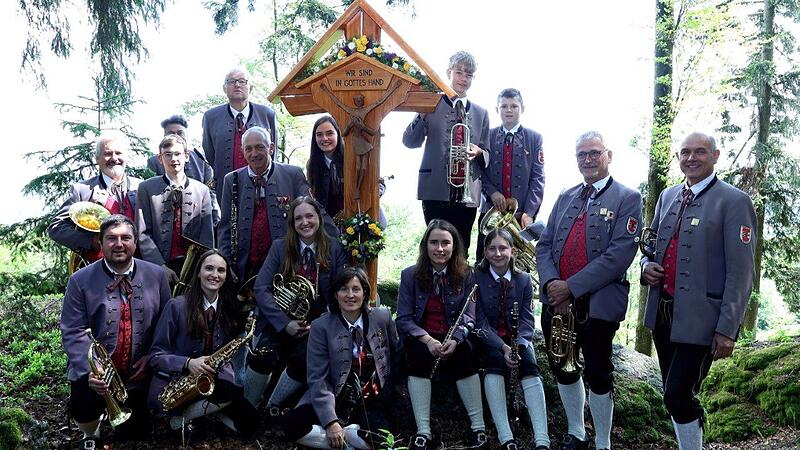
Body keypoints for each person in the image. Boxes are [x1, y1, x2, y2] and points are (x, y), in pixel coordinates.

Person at [641, 132, 756, 450]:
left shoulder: (734, 202)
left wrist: (727, 329)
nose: (691, 158)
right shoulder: (667, 195)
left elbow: (742, 272)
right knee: (675, 393)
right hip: (663, 314)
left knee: (676, 394)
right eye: (685, 152)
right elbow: (651, 246)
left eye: (700, 152)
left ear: (716, 156)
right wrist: (644, 266)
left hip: (703, 320)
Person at [535, 131, 642, 450]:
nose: (588, 159)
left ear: (609, 155)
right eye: (581, 154)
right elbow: (545, 245)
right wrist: (552, 283)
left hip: (598, 304)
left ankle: (604, 442)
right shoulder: (565, 196)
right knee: (563, 366)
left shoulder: (628, 197)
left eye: (594, 153)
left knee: (598, 371)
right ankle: (576, 432)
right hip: (556, 302)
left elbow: (620, 254)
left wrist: (571, 287)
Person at [60, 215, 170, 449]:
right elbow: (73, 329)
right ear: (100, 243)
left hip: (139, 372)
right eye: (111, 238)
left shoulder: (157, 275)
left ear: (135, 243)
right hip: (97, 374)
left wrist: (151, 357)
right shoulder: (80, 280)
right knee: (83, 405)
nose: (119, 244)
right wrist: (91, 369)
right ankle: (91, 431)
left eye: (125, 238)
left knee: (135, 435)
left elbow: (165, 324)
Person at [246, 196, 348, 410]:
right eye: (298, 218)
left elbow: (342, 291)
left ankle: (272, 405)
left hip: (317, 324)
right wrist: (285, 324)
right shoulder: (280, 247)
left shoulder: (335, 248)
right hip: (279, 321)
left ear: (318, 218)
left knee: (305, 358)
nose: (305, 222)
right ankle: (248, 407)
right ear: (292, 224)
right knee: (263, 356)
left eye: (309, 216)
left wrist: (321, 322)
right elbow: (261, 289)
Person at [283, 267, 401, 449]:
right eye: (344, 289)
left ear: (365, 293)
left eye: (356, 289)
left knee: (383, 442)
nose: (350, 295)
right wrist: (330, 422)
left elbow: (395, 354)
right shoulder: (320, 326)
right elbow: (318, 377)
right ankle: (347, 441)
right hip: (334, 395)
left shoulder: (382, 317)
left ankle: (347, 436)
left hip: (371, 398)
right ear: (336, 294)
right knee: (293, 426)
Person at [396, 219, 488, 450]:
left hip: (453, 337)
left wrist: (456, 339)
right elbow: (404, 319)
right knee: (416, 355)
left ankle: (478, 428)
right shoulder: (410, 275)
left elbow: (469, 317)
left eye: (445, 243)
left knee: (466, 352)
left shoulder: (467, 274)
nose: (440, 248)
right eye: (434, 242)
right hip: (423, 338)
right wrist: (426, 339)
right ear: (425, 245)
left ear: (454, 246)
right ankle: (423, 431)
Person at [147, 249, 258, 436]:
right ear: (198, 272)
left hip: (208, 385)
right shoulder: (176, 306)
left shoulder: (227, 309)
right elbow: (155, 356)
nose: (214, 275)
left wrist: (224, 380)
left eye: (221, 270)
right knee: (195, 436)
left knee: (252, 424)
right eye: (209, 268)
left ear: (226, 276)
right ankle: (180, 419)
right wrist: (188, 363)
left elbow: (225, 358)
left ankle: (193, 416)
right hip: (175, 387)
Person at [402, 51, 490, 253]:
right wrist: (421, 115)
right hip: (434, 190)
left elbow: (487, 153)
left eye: (469, 74)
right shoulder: (430, 104)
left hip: (467, 196)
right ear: (449, 73)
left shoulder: (481, 113)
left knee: (461, 250)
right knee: (435, 249)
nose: (463, 78)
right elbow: (409, 141)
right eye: (459, 72)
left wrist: (478, 152)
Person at [475, 228, 550, 450]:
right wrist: (503, 347)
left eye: (503, 248)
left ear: (513, 251)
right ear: (485, 252)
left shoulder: (524, 279)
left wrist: (517, 347)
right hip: (488, 338)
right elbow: (479, 322)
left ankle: (542, 439)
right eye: (492, 248)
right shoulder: (475, 277)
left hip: (518, 339)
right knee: (493, 363)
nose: (497, 253)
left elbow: (527, 322)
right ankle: (505, 436)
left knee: (529, 365)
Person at [218, 126, 317, 284]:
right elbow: (225, 228)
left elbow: (313, 215)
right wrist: (226, 263)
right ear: (243, 151)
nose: (254, 154)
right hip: (245, 268)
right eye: (248, 149)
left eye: (259, 147)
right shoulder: (231, 180)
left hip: (286, 266)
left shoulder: (293, 174)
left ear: (271, 148)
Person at [48, 133, 141, 266]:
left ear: (126, 157)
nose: (114, 158)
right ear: (97, 159)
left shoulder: (143, 188)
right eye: (108, 153)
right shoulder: (82, 190)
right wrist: (90, 242)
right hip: (96, 272)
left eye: (119, 153)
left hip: (138, 270)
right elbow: (56, 228)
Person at [476, 88, 545, 261]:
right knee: (484, 262)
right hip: (490, 213)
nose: (508, 110)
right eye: (504, 106)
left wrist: (529, 212)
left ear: (522, 109)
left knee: (519, 266)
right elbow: (477, 171)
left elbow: (538, 178)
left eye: (514, 106)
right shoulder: (486, 136)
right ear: (497, 109)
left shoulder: (535, 138)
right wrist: (492, 192)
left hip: (520, 215)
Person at [136, 135, 215, 284]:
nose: (173, 159)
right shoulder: (146, 188)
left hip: (194, 269)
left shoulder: (202, 190)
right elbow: (143, 233)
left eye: (178, 154)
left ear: (186, 156)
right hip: (157, 266)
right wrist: (160, 267)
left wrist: (200, 269)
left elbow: (207, 237)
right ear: (160, 159)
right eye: (168, 154)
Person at [202, 67, 278, 200]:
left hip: (264, 185)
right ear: (224, 88)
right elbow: (210, 152)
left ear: (251, 88)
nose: (237, 85)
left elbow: (273, 151)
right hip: (227, 187)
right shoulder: (211, 117)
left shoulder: (267, 114)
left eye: (242, 81)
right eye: (231, 81)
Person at [306, 115, 388, 229]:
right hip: (329, 226)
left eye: (329, 133)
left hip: (360, 221)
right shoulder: (313, 164)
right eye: (319, 134)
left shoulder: (354, 157)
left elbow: (380, 183)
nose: (324, 138)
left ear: (338, 134)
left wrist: (369, 196)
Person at [147, 114, 220, 226]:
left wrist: (214, 221)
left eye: (180, 133)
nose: (177, 137)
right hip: (165, 223)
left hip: (198, 221)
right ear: (164, 136)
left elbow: (211, 194)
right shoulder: (154, 162)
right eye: (171, 133)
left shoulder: (202, 160)